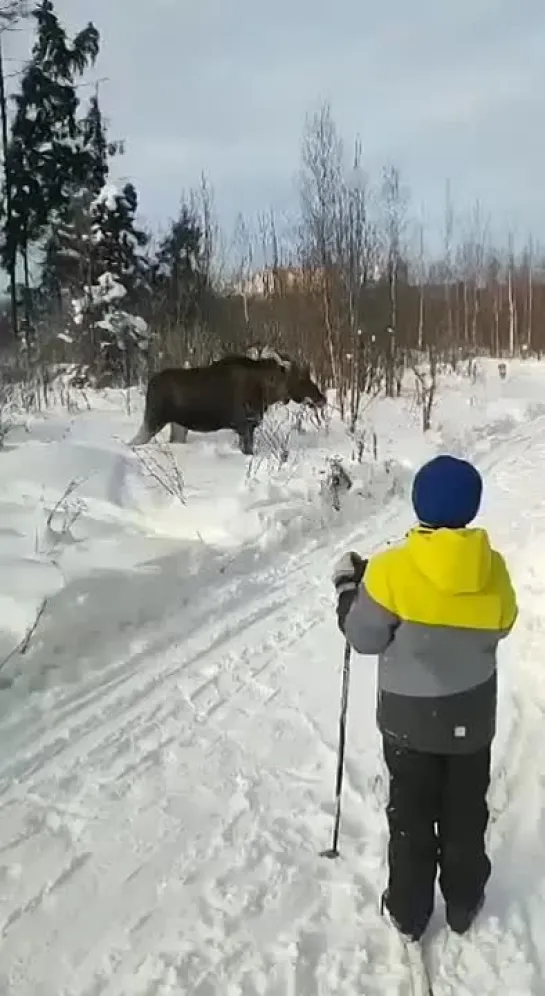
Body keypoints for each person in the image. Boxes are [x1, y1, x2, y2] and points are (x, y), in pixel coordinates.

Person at [332, 454, 518, 943]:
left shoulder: (392, 569)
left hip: (409, 723)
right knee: (465, 813)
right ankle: (463, 902)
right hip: (470, 722)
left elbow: (365, 637)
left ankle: (409, 913)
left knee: (411, 818)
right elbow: (503, 623)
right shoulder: (493, 567)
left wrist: (347, 590)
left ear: (418, 504)